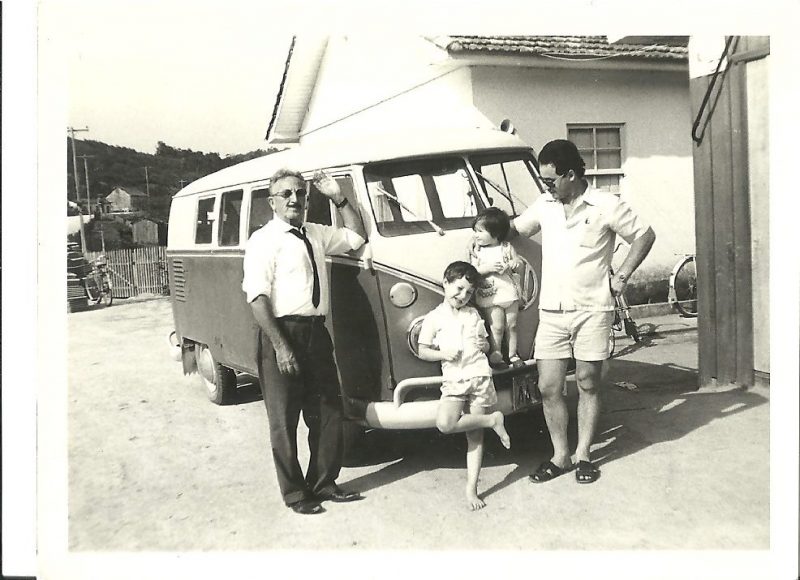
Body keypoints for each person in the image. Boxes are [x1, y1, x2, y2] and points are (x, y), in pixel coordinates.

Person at [508, 139, 655, 484]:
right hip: (553, 311)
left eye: (550, 180)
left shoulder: (605, 205)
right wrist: (485, 233)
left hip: (593, 309)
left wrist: (622, 276)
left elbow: (645, 236)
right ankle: (560, 456)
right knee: (547, 386)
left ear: (570, 175)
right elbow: (515, 229)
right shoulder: (545, 205)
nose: (546, 187)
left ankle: (584, 454)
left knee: (588, 382)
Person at [242, 168, 367, 515]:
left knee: (329, 413)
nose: (295, 199)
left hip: (316, 333)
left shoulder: (315, 233)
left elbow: (357, 236)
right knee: (284, 420)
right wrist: (281, 346)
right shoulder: (263, 240)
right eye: (286, 194)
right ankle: (295, 494)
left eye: (300, 193)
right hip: (281, 333)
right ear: (272, 202)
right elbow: (257, 298)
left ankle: (324, 482)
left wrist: (339, 198)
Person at [416, 261, 511, 511]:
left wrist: (485, 346)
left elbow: (486, 346)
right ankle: (494, 420)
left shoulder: (473, 314)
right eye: (458, 289)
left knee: (474, 437)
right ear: (445, 283)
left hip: (479, 375)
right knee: (445, 423)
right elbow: (422, 350)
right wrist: (443, 353)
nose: (462, 296)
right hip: (455, 380)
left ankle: (472, 488)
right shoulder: (434, 318)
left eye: (468, 292)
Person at [468, 207, 524, 368]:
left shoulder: (506, 247)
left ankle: (513, 355)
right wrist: (488, 268)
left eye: (480, 231)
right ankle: (496, 353)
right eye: (475, 231)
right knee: (496, 327)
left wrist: (514, 263)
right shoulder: (478, 252)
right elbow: (473, 271)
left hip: (509, 293)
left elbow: (518, 263)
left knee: (512, 325)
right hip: (491, 295)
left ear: (496, 233)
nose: (475, 235)